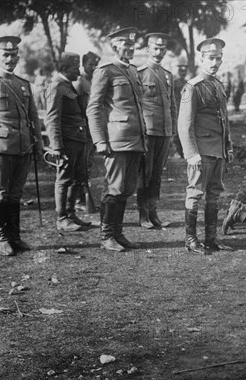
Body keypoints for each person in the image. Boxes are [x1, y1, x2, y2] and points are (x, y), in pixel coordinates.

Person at [0, 36, 42, 256]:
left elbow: (34, 118)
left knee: (16, 194)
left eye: (13, 55)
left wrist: (38, 146)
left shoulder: (24, 85)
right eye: (5, 55)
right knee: (1, 195)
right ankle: (3, 239)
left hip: (24, 147)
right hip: (1, 148)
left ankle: (15, 236)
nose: (10, 59)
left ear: (18, 57)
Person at [86, 27, 147, 252]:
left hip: (135, 139)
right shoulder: (105, 71)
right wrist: (99, 140)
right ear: (114, 47)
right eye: (126, 45)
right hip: (116, 140)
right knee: (114, 187)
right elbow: (94, 108)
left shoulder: (132, 71)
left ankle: (118, 233)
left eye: (132, 45)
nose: (130, 49)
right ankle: (106, 236)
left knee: (127, 188)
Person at [178, 38, 234, 254]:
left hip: (217, 149)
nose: (215, 62)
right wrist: (191, 154)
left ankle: (211, 238)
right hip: (201, 151)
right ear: (201, 59)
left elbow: (224, 120)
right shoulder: (193, 88)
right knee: (195, 192)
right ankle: (190, 240)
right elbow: (184, 125)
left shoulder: (218, 86)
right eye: (210, 58)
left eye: (218, 58)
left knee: (214, 194)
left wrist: (227, 146)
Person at [45, 52, 92, 231]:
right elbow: (51, 118)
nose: (79, 72)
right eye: (75, 68)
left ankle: (71, 214)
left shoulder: (68, 85)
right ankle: (61, 218)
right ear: (64, 68)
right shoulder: (55, 86)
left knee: (78, 178)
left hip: (78, 139)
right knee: (64, 179)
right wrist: (56, 146)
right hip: (67, 142)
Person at [137, 33, 177, 229]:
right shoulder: (139, 73)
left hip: (165, 131)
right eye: (155, 48)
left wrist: (174, 128)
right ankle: (143, 215)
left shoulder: (168, 74)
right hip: (148, 131)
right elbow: (136, 104)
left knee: (157, 175)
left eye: (162, 49)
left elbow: (172, 105)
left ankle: (154, 213)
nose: (159, 52)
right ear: (147, 49)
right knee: (145, 173)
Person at [73, 51, 101, 212]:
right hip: (82, 128)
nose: (94, 67)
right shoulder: (79, 82)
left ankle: (83, 198)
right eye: (91, 64)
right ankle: (79, 199)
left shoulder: (95, 80)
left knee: (88, 164)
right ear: (84, 65)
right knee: (81, 165)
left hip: (92, 129)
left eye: (96, 64)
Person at [172, 61, 188, 158]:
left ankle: (183, 152)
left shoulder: (188, 83)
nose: (183, 73)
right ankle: (177, 151)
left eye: (184, 71)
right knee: (176, 133)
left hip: (185, 111)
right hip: (176, 110)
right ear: (178, 71)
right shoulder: (174, 84)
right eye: (181, 71)